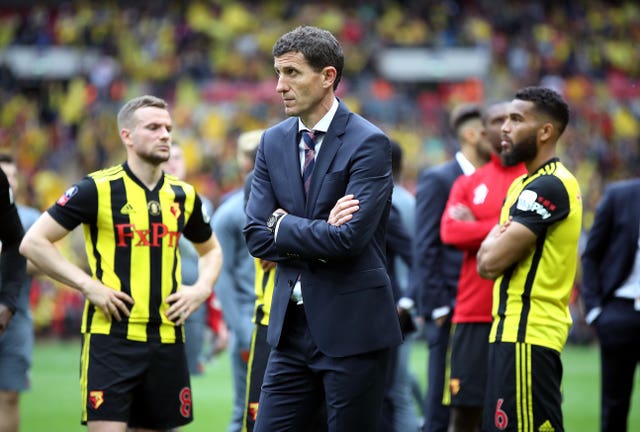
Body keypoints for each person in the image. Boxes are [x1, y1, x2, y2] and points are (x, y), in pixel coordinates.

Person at [19, 94, 223, 432]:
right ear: (127, 136)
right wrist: (88, 286)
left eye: (168, 128)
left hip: (167, 337)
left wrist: (201, 289)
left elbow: (211, 250)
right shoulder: (95, 189)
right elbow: (34, 242)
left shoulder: (183, 195)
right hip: (111, 337)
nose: (165, 135)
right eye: (154, 127)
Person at [243, 25, 402, 431]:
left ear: (328, 76)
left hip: (354, 331)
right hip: (289, 332)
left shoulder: (369, 143)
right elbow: (256, 236)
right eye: (278, 73)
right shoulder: (272, 141)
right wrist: (312, 231)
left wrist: (284, 224)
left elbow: (348, 239)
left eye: (292, 73)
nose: (279, 86)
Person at [477, 86, 582, 432]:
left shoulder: (548, 186)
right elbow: (489, 258)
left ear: (545, 131)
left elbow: (490, 263)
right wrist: (491, 244)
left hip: (528, 334)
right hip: (511, 332)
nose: (504, 127)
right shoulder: (525, 183)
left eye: (516, 119)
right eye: (504, 118)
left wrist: (491, 241)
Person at [439, 102, 526, 432]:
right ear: (484, 132)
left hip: (519, 316)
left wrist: (479, 224)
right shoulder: (469, 182)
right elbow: (449, 231)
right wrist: (507, 226)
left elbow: (533, 232)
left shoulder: (533, 180)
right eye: (496, 121)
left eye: (512, 120)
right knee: (463, 415)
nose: (504, 128)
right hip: (473, 313)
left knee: (515, 418)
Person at [413, 102, 491, 432]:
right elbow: (425, 245)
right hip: (450, 308)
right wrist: (437, 305)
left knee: (481, 402)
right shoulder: (439, 178)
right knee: (443, 404)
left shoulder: (498, 179)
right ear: (472, 134)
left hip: (482, 307)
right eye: (492, 129)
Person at [211, 129, 261, 432]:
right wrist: (241, 330)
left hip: (262, 319)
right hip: (251, 321)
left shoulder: (228, 212)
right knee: (247, 411)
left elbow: (224, 275)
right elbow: (223, 274)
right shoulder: (231, 213)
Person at [581, 178, 640, 432]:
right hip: (619, 313)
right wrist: (595, 310)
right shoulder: (619, 196)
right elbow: (591, 254)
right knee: (614, 408)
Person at [161, 144, 217, 376]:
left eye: (178, 158)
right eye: (168, 158)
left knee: (190, 371)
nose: (173, 162)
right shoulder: (147, 200)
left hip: (193, 297)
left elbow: (208, 253)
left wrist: (216, 317)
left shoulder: (200, 202)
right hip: (157, 294)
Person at [0, 154, 30, 432]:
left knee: (9, 395)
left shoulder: (32, 218)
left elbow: (52, 258)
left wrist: (18, 259)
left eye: (12, 175)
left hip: (15, 316)